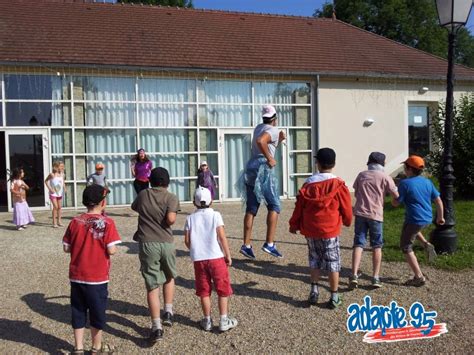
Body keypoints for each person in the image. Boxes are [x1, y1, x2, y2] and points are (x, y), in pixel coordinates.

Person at [289, 148, 352, 309]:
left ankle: (314, 290)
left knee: (314, 258)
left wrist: (294, 224)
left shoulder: (308, 184)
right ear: (334, 163)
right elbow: (346, 207)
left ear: (317, 163)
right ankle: (334, 295)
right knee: (333, 262)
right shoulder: (338, 184)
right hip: (330, 229)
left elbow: (299, 208)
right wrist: (347, 220)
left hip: (311, 229)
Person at [62, 184, 121, 354]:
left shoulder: (75, 221)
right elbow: (111, 249)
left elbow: (66, 247)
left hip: (77, 275)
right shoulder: (108, 223)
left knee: (78, 310)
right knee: (97, 312)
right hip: (97, 277)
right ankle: (96, 346)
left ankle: (78, 347)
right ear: (102, 202)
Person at [131, 167, 180, 344]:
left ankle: (156, 326)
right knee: (169, 275)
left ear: (150, 181)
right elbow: (171, 220)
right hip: (166, 242)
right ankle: (168, 310)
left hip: (147, 243)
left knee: (152, 284)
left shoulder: (144, 194)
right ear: (167, 182)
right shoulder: (171, 197)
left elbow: (134, 207)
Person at [184, 186, 237, 333]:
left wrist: (195, 249)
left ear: (194, 202)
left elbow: (187, 241)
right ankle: (223, 319)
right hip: (216, 257)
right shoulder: (216, 215)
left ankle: (207, 320)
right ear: (211, 201)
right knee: (222, 288)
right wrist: (227, 254)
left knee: (204, 290)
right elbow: (221, 237)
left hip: (199, 259)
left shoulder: (190, 218)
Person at [240, 105, 286, 259]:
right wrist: (270, 158)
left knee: (252, 207)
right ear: (275, 118)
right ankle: (269, 243)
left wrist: (278, 141)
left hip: (251, 166)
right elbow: (262, 141)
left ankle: (246, 245)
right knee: (274, 205)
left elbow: (264, 142)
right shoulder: (272, 130)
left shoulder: (258, 127)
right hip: (262, 168)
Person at [392, 155, 444, 287]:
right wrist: (440, 217)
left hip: (415, 219)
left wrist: (393, 196)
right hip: (426, 218)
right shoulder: (427, 182)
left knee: (405, 246)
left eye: (405, 166)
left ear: (409, 169)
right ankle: (427, 244)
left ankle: (418, 277)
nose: (404, 169)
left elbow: (396, 203)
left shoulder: (404, 183)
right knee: (412, 229)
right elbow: (438, 200)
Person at [349, 152, 399, 290]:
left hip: (360, 213)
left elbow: (356, 189)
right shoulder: (385, 177)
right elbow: (396, 194)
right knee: (376, 246)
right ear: (382, 164)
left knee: (359, 243)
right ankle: (375, 277)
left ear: (369, 162)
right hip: (376, 215)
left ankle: (353, 274)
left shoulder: (362, 175)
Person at [45, 161, 65, 228]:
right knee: (55, 207)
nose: (62, 168)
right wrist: (50, 189)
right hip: (53, 193)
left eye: (63, 166)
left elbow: (63, 182)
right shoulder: (52, 174)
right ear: (56, 167)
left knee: (59, 207)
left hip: (59, 193)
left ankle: (59, 221)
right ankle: (54, 222)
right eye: (61, 166)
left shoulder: (62, 174)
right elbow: (45, 181)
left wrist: (64, 188)